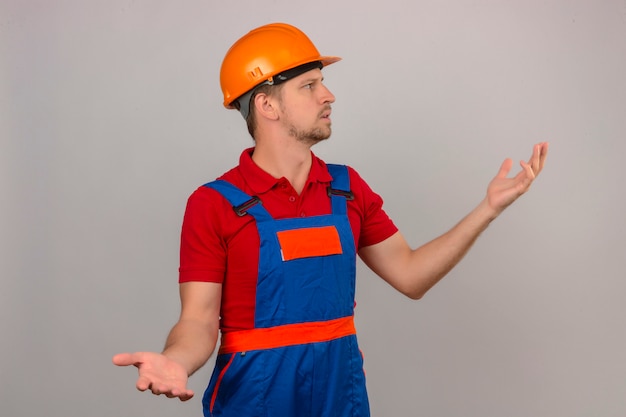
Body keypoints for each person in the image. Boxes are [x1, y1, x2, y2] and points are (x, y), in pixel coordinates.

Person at [113, 22, 548, 417]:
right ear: (267, 104)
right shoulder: (215, 204)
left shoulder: (346, 188)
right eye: (309, 86)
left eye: (323, 83)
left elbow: (411, 275)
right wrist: (177, 361)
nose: (328, 95)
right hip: (257, 396)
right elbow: (199, 320)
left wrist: (487, 209)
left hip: (340, 393)